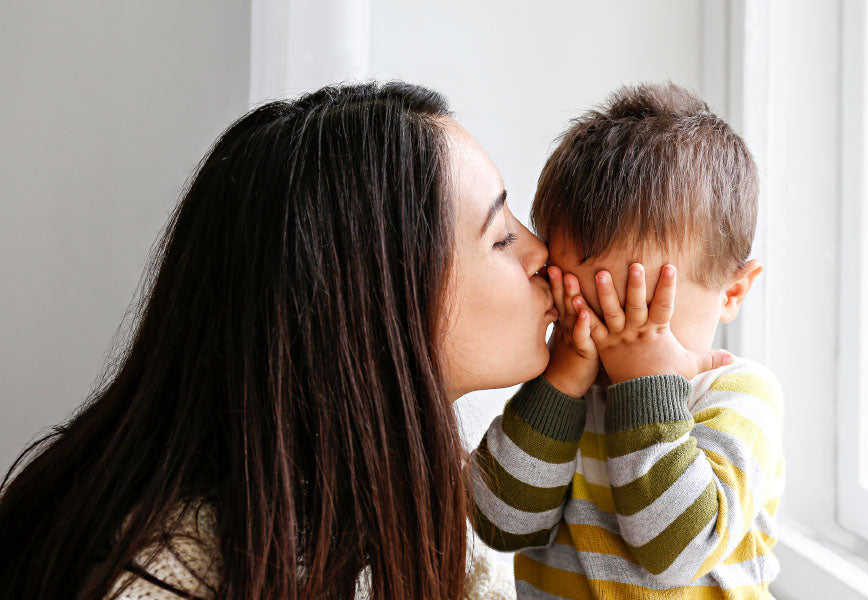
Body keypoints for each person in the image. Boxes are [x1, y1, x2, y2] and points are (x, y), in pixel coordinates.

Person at [0, 81, 561, 600]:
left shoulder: (422, 515)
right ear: (370, 297)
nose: (542, 255)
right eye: (502, 236)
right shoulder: (164, 574)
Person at [468, 83, 785, 598]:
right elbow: (502, 523)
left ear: (731, 291)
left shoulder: (740, 395)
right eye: (586, 303)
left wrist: (647, 381)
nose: (613, 338)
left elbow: (678, 551)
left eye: (639, 311)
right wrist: (562, 382)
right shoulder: (565, 394)